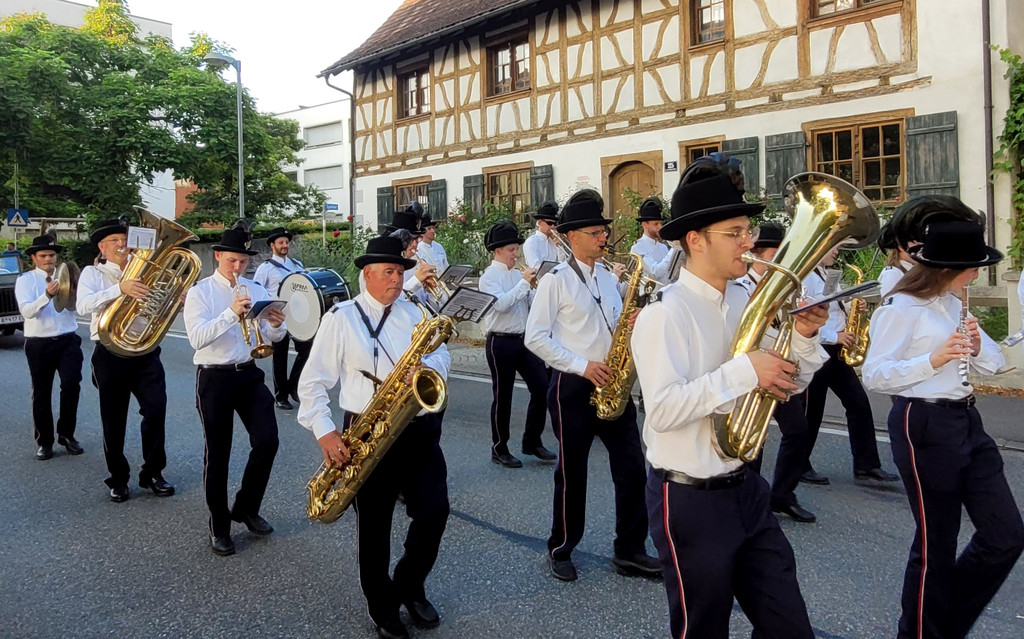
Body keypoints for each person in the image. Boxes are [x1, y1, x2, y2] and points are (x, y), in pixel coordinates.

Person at [631, 170, 829, 639]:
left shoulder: (746, 299)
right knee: (703, 629)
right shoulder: (664, 313)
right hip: (688, 498)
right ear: (696, 240)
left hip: (746, 487)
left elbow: (786, 383)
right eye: (735, 233)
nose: (748, 242)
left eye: (748, 231)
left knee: (790, 627)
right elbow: (663, 410)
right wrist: (743, 371)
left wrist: (802, 338)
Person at [862, 219, 1024, 639]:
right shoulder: (900, 308)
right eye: (973, 268)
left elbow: (995, 364)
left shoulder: (954, 303)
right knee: (936, 543)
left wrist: (977, 347)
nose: (977, 275)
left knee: (1006, 535)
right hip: (922, 421)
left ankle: (945, 624)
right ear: (949, 268)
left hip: (966, 419)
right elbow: (874, 375)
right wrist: (931, 361)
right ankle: (920, 632)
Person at [297, 235, 451, 639]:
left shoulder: (416, 311)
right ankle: (382, 604)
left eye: (399, 272)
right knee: (375, 525)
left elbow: (441, 354)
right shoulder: (341, 317)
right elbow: (312, 382)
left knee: (434, 512)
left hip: (417, 427)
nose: (396, 279)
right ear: (367, 274)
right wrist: (325, 432)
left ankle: (409, 584)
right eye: (387, 272)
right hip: (366, 428)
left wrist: (429, 369)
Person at [525, 189, 660, 582]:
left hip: (613, 382)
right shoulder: (556, 281)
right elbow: (536, 337)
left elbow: (611, 324)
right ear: (573, 236)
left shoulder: (606, 275)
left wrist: (631, 325)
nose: (604, 238)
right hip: (572, 387)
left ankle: (630, 550)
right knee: (573, 473)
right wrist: (582, 366)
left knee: (632, 469)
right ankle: (561, 547)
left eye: (604, 231)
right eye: (596, 232)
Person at [183, 224, 285, 557]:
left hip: (249, 373)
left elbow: (272, 337)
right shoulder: (200, 292)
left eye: (243, 261)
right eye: (232, 261)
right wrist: (230, 313)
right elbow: (197, 338)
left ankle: (246, 507)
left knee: (267, 441)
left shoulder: (255, 288)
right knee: (219, 454)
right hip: (214, 377)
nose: (238, 267)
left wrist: (276, 324)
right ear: (218, 257)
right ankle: (220, 526)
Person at [76, 218, 174, 502]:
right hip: (110, 354)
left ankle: (153, 472)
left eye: (124, 239)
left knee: (155, 411)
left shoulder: (146, 271)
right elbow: (82, 306)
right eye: (115, 241)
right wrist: (120, 289)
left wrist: (173, 301)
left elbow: (158, 305)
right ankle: (118, 478)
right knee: (113, 418)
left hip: (145, 351)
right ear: (102, 247)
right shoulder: (93, 273)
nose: (122, 245)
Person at [800, 247, 898, 487]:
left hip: (837, 353)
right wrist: (836, 336)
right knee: (811, 412)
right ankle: (799, 465)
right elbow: (803, 318)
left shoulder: (828, 274)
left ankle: (866, 465)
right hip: (818, 350)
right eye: (832, 247)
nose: (836, 251)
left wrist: (852, 304)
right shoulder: (806, 278)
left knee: (859, 404)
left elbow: (834, 305)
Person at [478, 220, 555, 468]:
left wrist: (537, 288)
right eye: (511, 250)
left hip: (524, 339)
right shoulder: (489, 277)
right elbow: (501, 304)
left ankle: (531, 441)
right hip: (500, 341)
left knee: (542, 388)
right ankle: (499, 448)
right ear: (498, 250)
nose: (516, 254)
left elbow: (527, 304)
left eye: (516, 249)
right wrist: (524, 283)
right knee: (503, 397)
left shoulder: (516, 274)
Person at [14, 233, 84, 461]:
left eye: (51, 255)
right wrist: (47, 295)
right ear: (34, 258)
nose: (48, 259)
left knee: (71, 385)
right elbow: (27, 311)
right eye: (43, 256)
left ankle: (66, 434)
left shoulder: (66, 276)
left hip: (67, 340)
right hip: (39, 343)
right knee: (42, 393)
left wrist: (74, 290)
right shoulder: (25, 280)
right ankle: (44, 441)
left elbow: (78, 308)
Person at [253, 227, 310, 411]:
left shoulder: (297, 264)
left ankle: (293, 385)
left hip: (298, 315)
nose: (285, 245)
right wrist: (262, 319)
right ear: (272, 245)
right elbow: (257, 291)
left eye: (286, 242)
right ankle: (281, 396)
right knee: (280, 356)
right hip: (277, 316)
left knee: (307, 349)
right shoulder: (265, 268)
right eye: (281, 242)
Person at [723, 221, 784, 328]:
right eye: (774, 255)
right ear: (756, 256)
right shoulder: (741, 289)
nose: (781, 261)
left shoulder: (782, 284)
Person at [628, 197, 678, 285]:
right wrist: (673, 249)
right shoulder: (638, 247)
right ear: (645, 225)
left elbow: (669, 274)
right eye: (656, 224)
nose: (660, 227)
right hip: (650, 293)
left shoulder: (663, 247)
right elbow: (654, 272)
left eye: (660, 223)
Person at [522, 201, 568, 269]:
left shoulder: (554, 242)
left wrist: (559, 247)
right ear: (540, 222)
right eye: (549, 223)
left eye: (555, 224)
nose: (553, 226)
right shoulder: (531, 242)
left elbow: (563, 263)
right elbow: (535, 267)